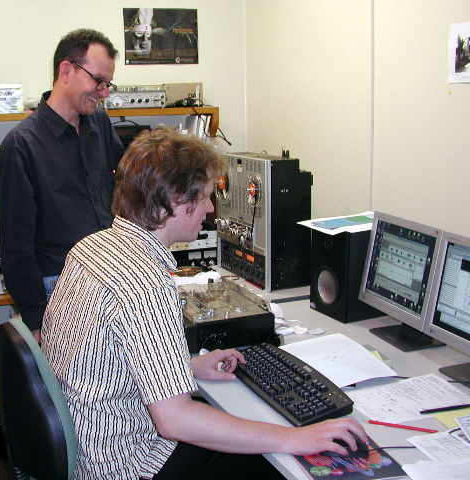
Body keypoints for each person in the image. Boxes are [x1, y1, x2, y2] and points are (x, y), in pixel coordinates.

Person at [41, 126, 368, 480]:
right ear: (175, 201)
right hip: (127, 464)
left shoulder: (92, 247)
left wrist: (187, 368)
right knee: (276, 464)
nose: (211, 209)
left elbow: (100, 363)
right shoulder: (144, 284)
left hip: (89, 446)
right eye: (206, 198)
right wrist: (296, 438)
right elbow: (175, 421)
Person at [0, 28, 124, 341]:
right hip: (59, 287)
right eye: (98, 81)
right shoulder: (20, 146)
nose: (104, 92)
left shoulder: (101, 125)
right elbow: (17, 246)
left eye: (108, 84)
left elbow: (126, 191)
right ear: (66, 71)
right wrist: (36, 319)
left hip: (110, 278)